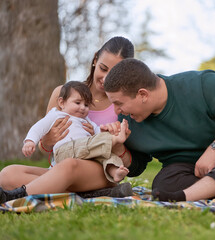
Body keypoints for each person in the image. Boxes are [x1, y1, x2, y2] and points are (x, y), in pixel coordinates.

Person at [102, 58, 215, 202]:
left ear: (143, 94)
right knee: (163, 185)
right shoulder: (128, 121)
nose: (116, 111)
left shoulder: (203, 85)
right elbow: (136, 166)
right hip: (191, 172)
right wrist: (118, 147)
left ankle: (189, 196)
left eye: (119, 103)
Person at [0, 36, 134, 204]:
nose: (106, 78)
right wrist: (47, 141)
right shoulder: (62, 93)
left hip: (100, 170)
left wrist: (115, 140)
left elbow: (127, 161)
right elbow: (45, 148)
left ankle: (16, 196)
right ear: (95, 60)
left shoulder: (122, 104)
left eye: (114, 73)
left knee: (70, 165)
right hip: (60, 167)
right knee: (7, 175)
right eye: (103, 68)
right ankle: (90, 194)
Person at [22, 81, 131, 183]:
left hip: (85, 153)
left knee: (105, 154)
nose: (83, 108)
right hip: (66, 150)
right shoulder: (56, 115)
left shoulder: (86, 120)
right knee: (95, 145)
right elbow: (39, 127)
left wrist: (103, 131)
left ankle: (115, 172)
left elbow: (98, 133)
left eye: (86, 105)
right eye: (77, 103)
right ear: (62, 102)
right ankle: (115, 140)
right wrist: (30, 141)